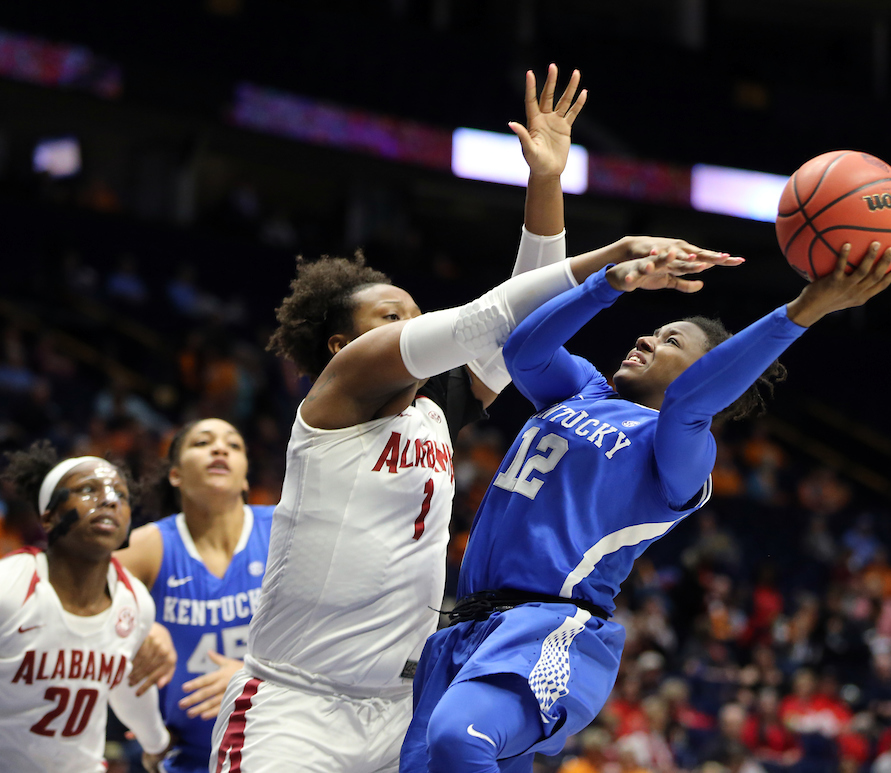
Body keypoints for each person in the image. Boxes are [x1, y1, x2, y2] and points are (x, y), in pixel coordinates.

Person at [209, 65, 725, 773]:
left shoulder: (433, 413)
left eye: (416, 314)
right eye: (392, 318)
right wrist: (610, 260)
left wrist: (546, 181)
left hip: (401, 707)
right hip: (296, 703)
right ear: (344, 343)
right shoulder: (339, 393)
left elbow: (519, 320)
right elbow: (488, 316)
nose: (414, 325)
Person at [398, 241, 891, 772]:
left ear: (705, 373)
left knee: (459, 738)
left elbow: (689, 403)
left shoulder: (677, 451)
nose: (646, 337)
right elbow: (524, 349)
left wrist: (805, 309)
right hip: (468, 626)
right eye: (656, 332)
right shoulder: (585, 391)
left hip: (549, 630)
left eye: (671, 341)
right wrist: (609, 284)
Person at [113, 418, 273, 773]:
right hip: (188, 759)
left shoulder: (283, 529)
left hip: (282, 746)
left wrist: (252, 678)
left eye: (233, 445)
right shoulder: (151, 545)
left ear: (246, 476)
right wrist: (139, 622)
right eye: (202, 443)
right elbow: (80, 587)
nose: (219, 448)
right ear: (175, 475)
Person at [0, 441, 170, 772]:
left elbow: (127, 684)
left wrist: (156, 744)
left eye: (121, 495)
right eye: (88, 490)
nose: (109, 500)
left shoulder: (135, 602)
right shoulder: (10, 586)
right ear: (48, 516)